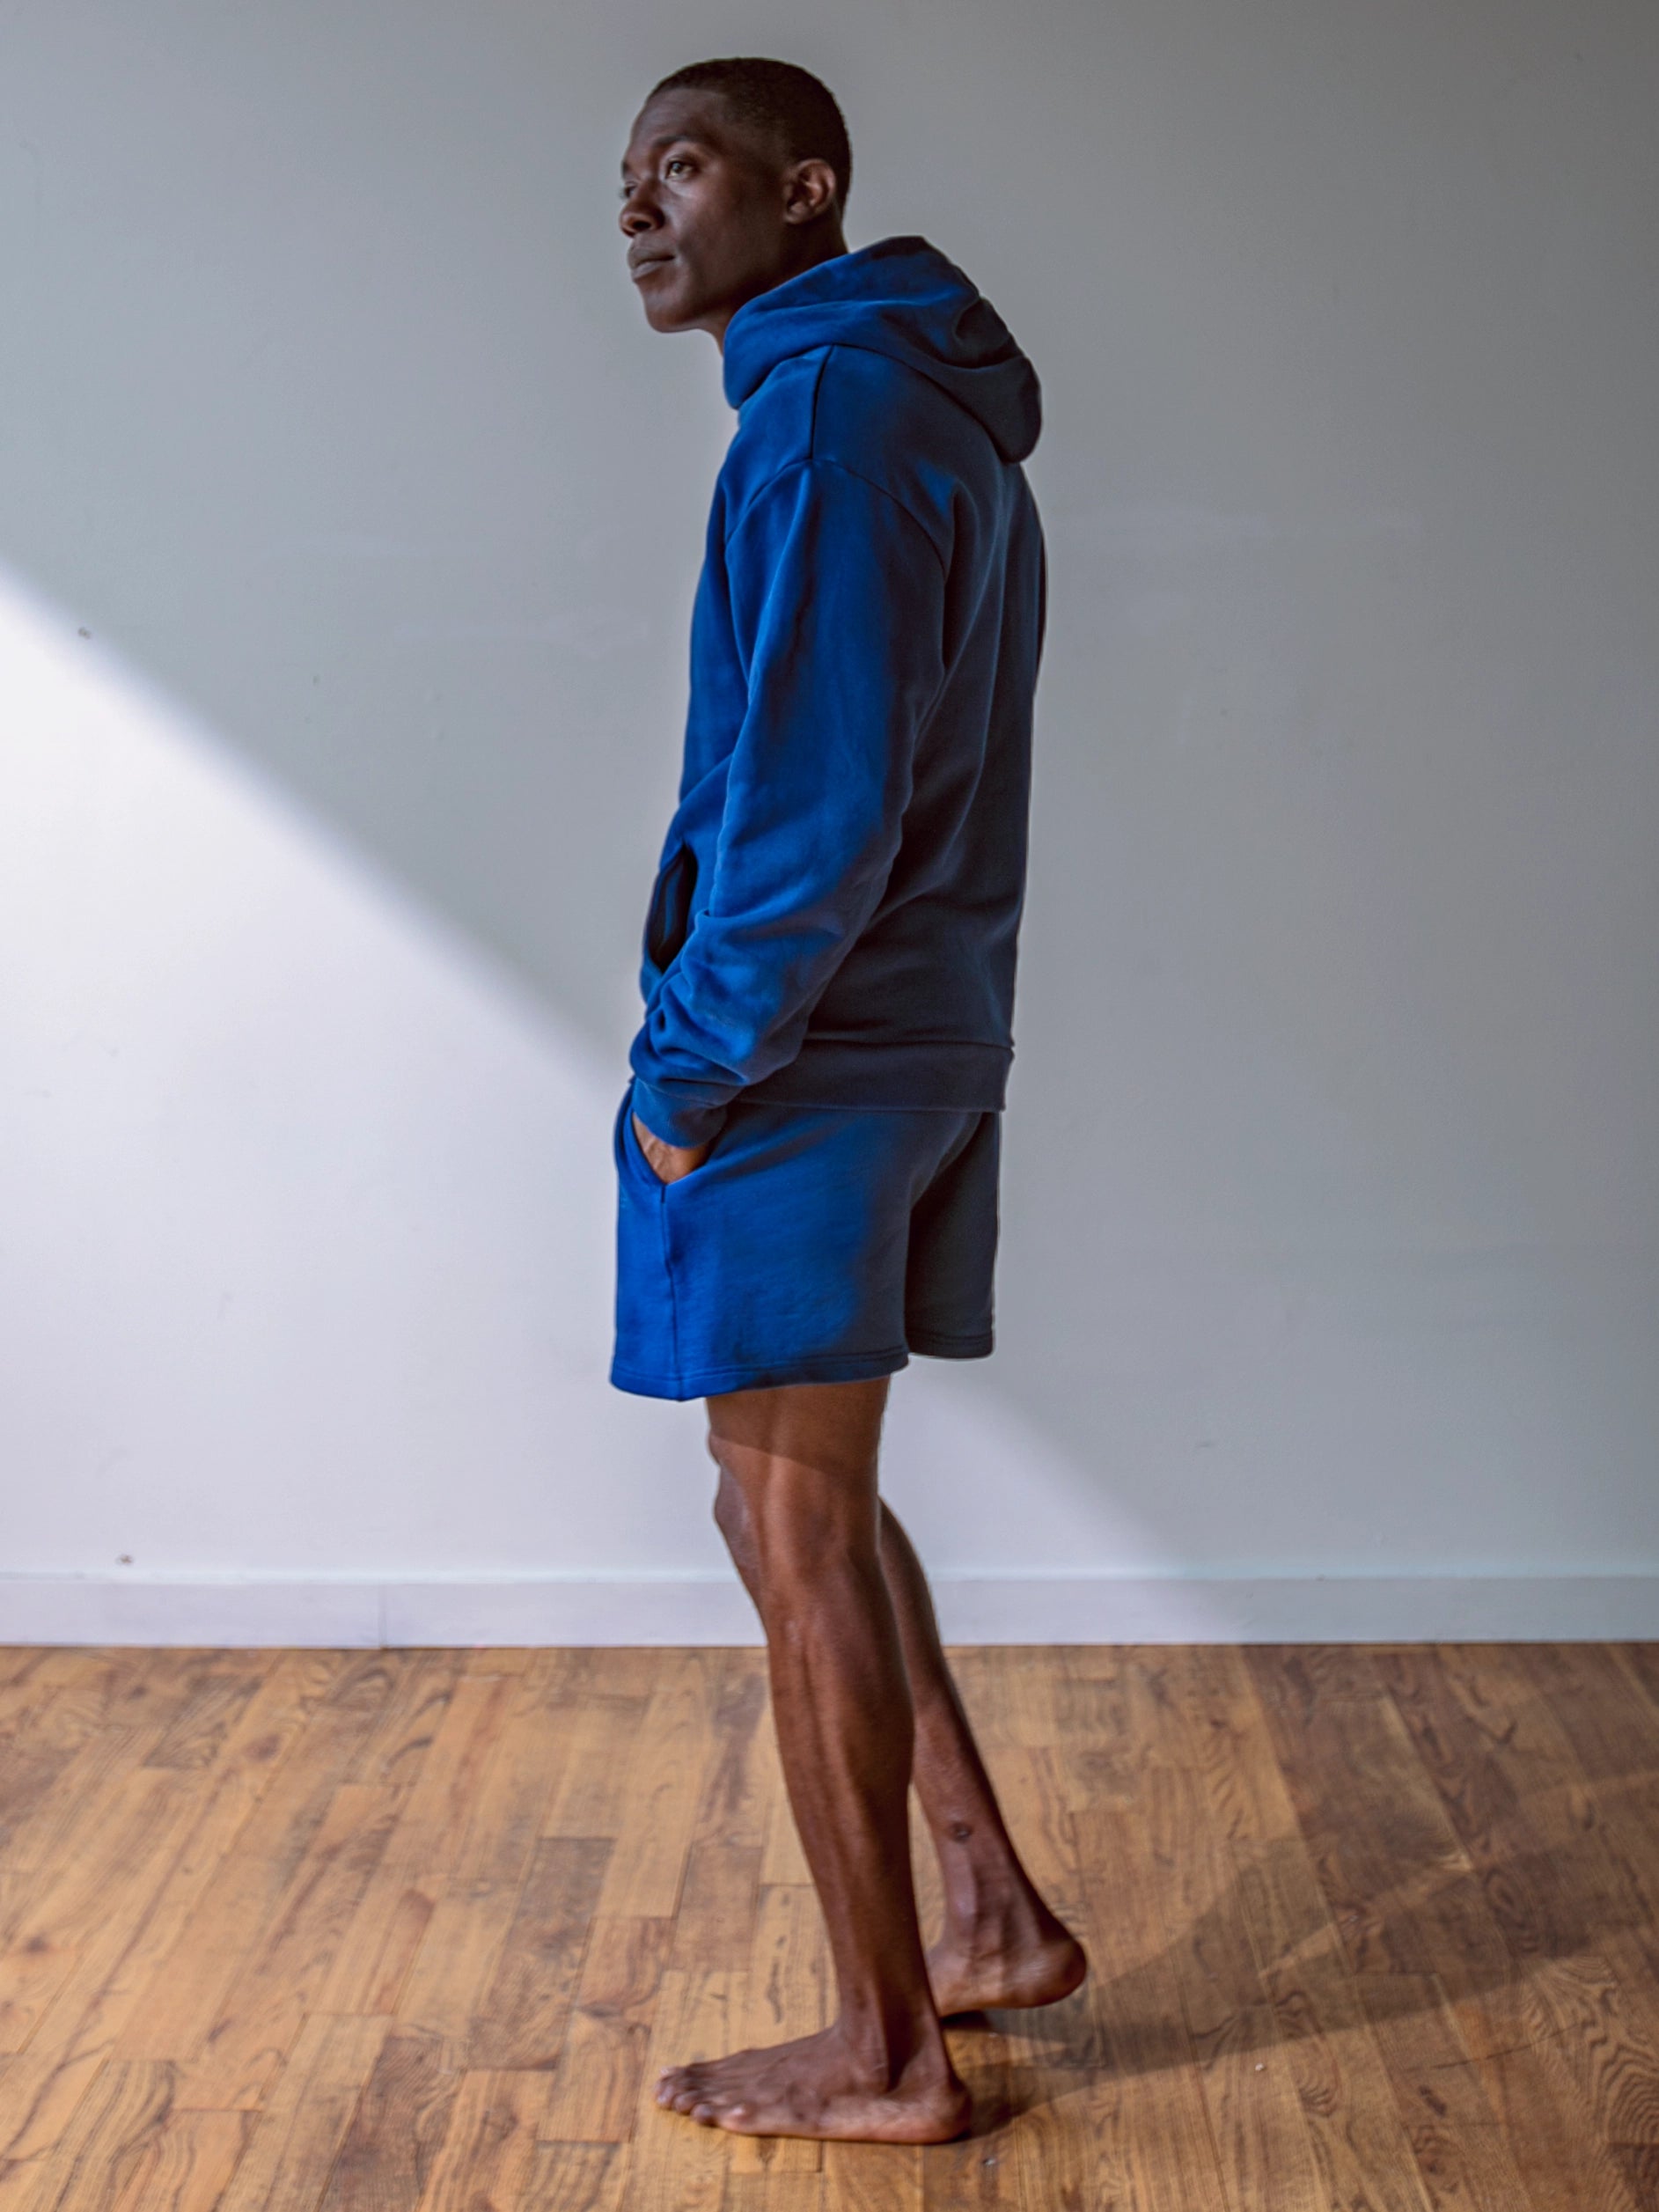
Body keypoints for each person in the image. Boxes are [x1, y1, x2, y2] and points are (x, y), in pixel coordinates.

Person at [611, 55, 1084, 2145]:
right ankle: (980, 1910)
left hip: (805, 1051)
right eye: (625, 179)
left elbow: (812, 812)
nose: (637, 207)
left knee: (786, 1515)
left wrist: (691, 1074)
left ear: (805, 192)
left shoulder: (823, 422)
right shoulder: (931, 419)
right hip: (924, 1031)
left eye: (681, 166)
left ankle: (888, 2053)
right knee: (804, 1495)